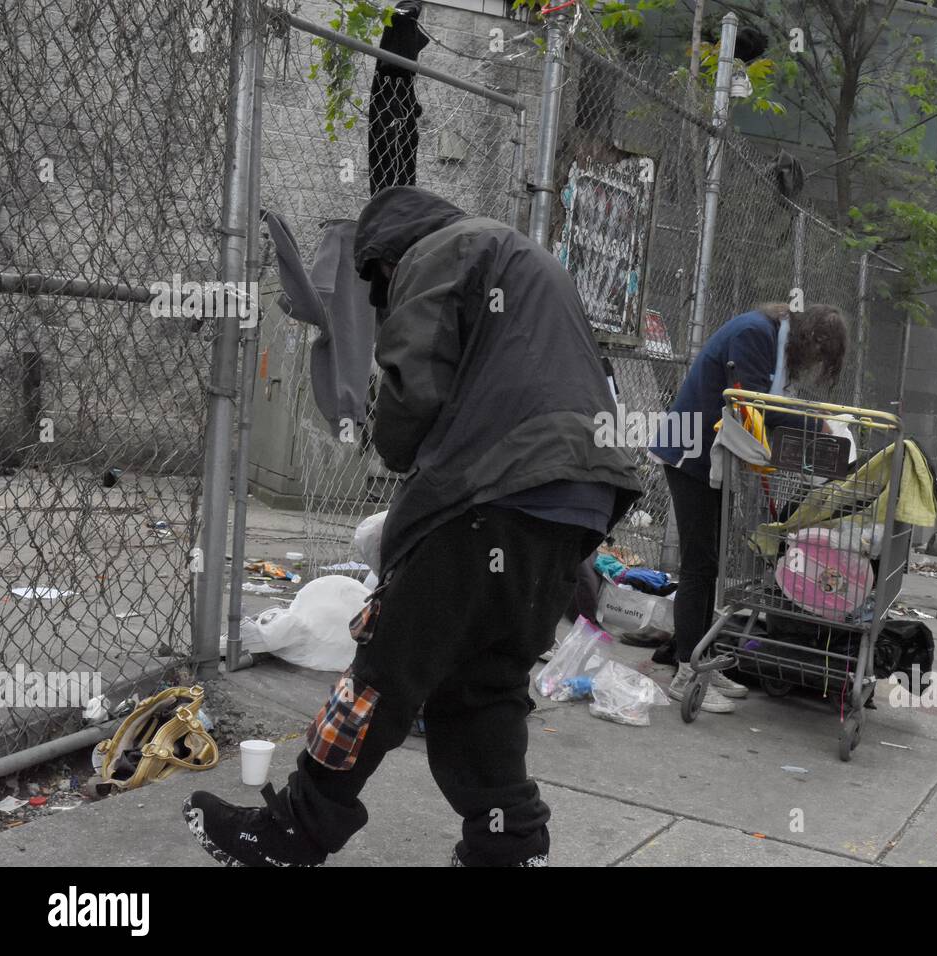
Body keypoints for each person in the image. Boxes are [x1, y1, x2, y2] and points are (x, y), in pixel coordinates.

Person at [184, 186, 641, 867]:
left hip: (498, 490)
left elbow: (415, 387)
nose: (377, 302)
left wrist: (385, 430)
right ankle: (508, 844)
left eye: (376, 284)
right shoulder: (522, 258)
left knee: (382, 672)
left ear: (387, 256)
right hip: (576, 501)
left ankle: (292, 834)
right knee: (480, 681)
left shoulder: (441, 252)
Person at [648, 303, 848, 713]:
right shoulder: (756, 335)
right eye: (817, 357)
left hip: (712, 457)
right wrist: (815, 423)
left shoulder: (771, 339)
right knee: (699, 564)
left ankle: (699, 656)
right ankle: (687, 668)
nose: (812, 365)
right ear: (809, 340)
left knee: (710, 564)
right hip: (693, 455)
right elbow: (751, 403)